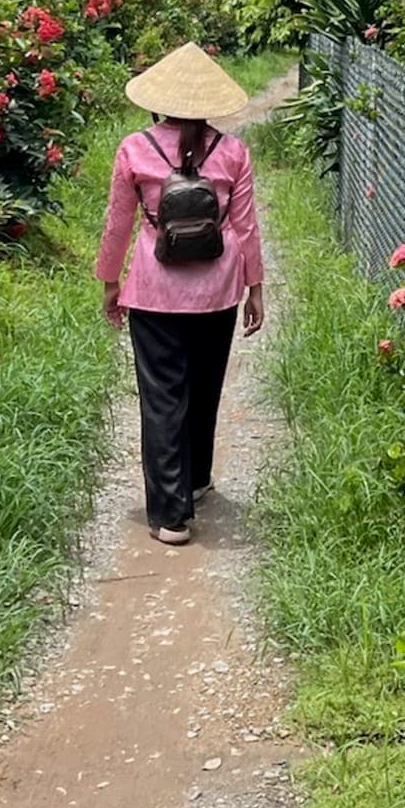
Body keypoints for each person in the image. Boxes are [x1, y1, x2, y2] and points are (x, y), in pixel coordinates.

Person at [96, 41, 266, 544]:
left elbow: (117, 224)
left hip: (153, 291)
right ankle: (196, 479)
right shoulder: (232, 152)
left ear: (158, 101)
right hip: (218, 291)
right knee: (206, 384)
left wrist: (111, 283)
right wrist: (255, 287)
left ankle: (172, 514)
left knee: (162, 396)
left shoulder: (134, 149)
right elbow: (247, 227)